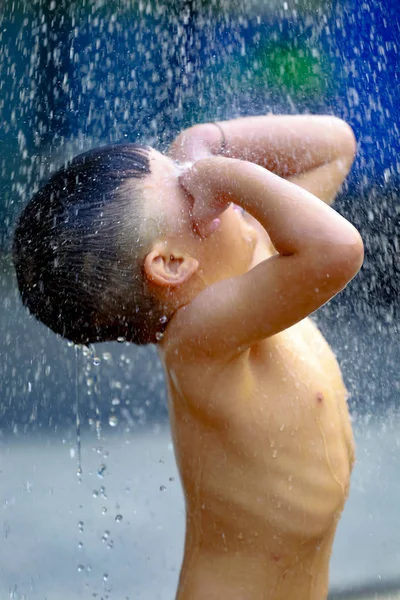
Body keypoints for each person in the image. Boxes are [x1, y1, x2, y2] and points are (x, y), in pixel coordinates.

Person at [13, 115, 363, 599]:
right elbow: (338, 248)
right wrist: (220, 171)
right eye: (183, 183)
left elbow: (336, 146)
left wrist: (207, 141)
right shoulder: (200, 339)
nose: (196, 175)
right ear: (172, 265)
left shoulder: (257, 262)